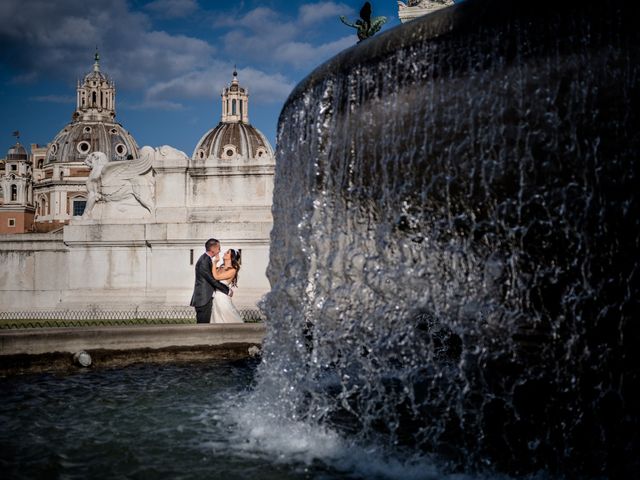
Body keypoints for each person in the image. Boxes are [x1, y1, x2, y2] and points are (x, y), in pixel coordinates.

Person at [190, 238, 233, 324]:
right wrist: (227, 290)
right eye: (219, 248)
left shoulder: (207, 259)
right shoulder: (204, 261)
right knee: (203, 327)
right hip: (203, 300)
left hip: (206, 299)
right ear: (213, 249)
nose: (220, 250)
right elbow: (212, 280)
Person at [210, 248, 244, 323]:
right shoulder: (219, 268)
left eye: (227, 252)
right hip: (215, 298)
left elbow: (216, 277)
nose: (225, 253)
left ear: (231, 257)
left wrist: (215, 262)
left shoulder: (232, 270)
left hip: (223, 298)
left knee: (229, 319)